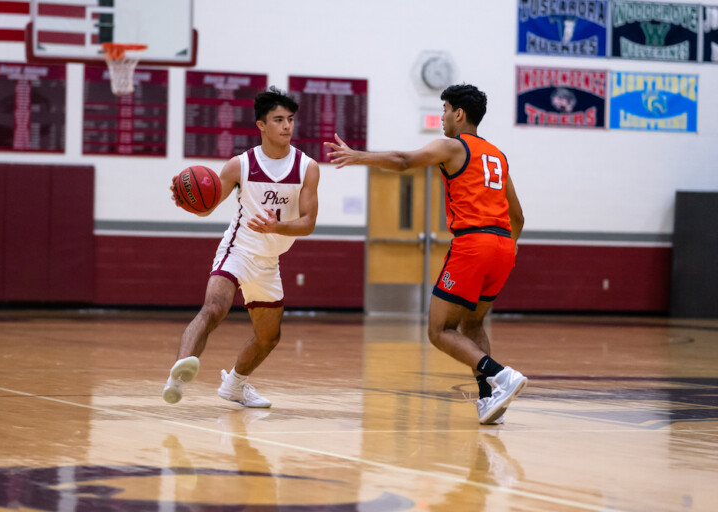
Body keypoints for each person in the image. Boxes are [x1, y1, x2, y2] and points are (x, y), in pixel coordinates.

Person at [325, 83, 526, 424]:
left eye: (445, 109)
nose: (442, 117)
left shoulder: (453, 147)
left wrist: (359, 156)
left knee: (439, 331)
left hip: (473, 243)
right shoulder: (498, 155)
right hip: (504, 244)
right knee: (473, 321)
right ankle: (489, 400)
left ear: (459, 114)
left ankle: (501, 375)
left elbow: (404, 161)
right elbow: (518, 216)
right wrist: (502, 250)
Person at [163, 86, 320, 408]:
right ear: (261, 125)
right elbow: (206, 206)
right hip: (238, 250)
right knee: (213, 309)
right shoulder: (240, 165)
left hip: (269, 261)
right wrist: (186, 198)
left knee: (269, 338)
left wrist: (278, 227)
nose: (287, 126)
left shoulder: (307, 168)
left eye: (290, 119)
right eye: (278, 120)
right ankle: (177, 373)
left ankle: (235, 385)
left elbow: (307, 224)